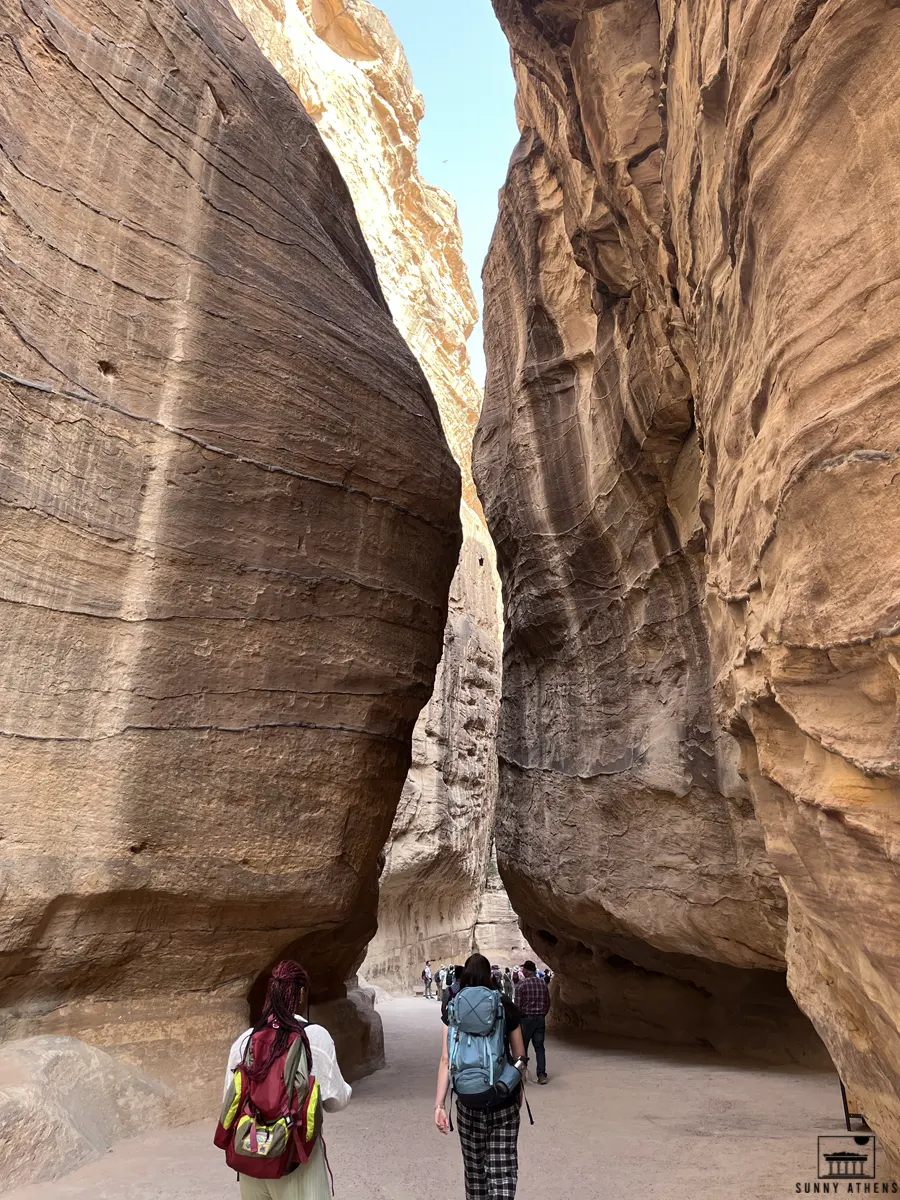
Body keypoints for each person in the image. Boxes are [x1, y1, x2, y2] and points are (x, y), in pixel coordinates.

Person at [220, 960, 351, 1199]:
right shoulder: (314, 1036)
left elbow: (229, 1100)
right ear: (301, 993)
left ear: (270, 992)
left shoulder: (246, 1040)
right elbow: (336, 1101)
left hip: (252, 1156)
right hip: (296, 1158)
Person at [435, 953, 527, 1199]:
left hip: (467, 1102)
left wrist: (439, 1105)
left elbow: (446, 1059)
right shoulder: (505, 1005)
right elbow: (520, 1056)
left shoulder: (453, 1007)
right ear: (490, 976)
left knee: (475, 1171)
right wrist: (516, 1089)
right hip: (502, 1098)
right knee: (503, 1170)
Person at [515, 959, 551, 1085]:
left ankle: (521, 1076)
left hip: (526, 1020)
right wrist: (542, 1014)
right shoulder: (543, 984)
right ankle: (541, 1075)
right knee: (539, 1048)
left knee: (522, 1049)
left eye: (523, 969)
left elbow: (517, 1006)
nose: (522, 971)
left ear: (528, 970)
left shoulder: (521, 985)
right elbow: (547, 1003)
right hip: (540, 1019)